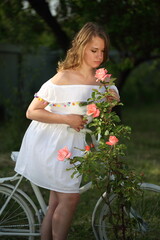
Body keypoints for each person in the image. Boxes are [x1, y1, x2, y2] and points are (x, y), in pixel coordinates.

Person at [15, 22, 119, 240]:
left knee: (56, 201)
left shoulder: (102, 81)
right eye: (94, 50)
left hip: (74, 142)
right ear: (81, 48)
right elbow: (32, 112)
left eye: (102, 51)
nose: (99, 56)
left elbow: (99, 112)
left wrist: (110, 101)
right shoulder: (62, 78)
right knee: (69, 199)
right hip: (51, 142)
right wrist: (66, 118)